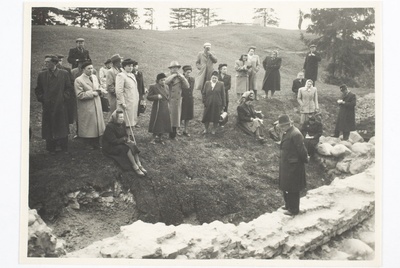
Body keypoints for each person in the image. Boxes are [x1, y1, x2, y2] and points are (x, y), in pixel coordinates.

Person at [34, 55, 72, 155]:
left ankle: (64, 148)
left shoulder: (64, 73)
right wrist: (42, 98)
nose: (45, 63)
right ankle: (51, 148)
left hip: (60, 105)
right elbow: (38, 89)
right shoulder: (42, 74)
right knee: (49, 126)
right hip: (48, 106)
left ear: (55, 63)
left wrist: (63, 98)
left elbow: (68, 88)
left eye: (48, 62)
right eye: (45, 62)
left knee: (62, 126)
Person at [278, 114, 309, 216]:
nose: (281, 128)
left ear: (288, 124)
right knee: (286, 186)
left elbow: (302, 150)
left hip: (294, 165)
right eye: (281, 126)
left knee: (293, 188)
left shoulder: (296, 134)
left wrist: (305, 159)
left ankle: (294, 209)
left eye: (283, 126)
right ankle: (288, 205)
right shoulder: (287, 132)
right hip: (286, 164)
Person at [102, 110, 146, 177]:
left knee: (133, 145)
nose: (122, 119)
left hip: (120, 142)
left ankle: (139, 164)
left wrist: (128, 139)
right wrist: (124, 140)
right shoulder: (110, 127)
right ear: (115, 118)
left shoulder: (123, 123)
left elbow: (125, 134)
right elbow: (112, 141)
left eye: (123, 117)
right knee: (127, 148)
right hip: (111, 146)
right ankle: (135, 166)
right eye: (120, 117)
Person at [74, 61, 106, 149]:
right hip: (87, 106)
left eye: (92, 68)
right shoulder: (79, 80)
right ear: (83, 69)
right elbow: (79, 95)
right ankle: (87, 143)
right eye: (88, 68)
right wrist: (93, 93)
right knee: (88, 124)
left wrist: (101, 90)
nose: (91, 70)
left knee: (96, 124)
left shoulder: (94, 77)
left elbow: (98, 87)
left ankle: (96, 142)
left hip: (96, 103)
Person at [165, 61, 190, 139]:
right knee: (167, 117)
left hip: (177, 100)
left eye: (176, 68)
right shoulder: (167, 75)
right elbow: (166, 82)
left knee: (175, 118)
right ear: (170, 69)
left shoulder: (180, 77)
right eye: (173, 68)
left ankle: (173, 135)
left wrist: (182, 78)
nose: (175, 69)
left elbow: (187, 86)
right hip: (168, 99)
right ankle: (163, 133)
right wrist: (173, 75)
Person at [147, 73, 172, 144]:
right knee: (157, 122)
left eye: (164, 80)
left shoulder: (166, 86)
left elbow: (168, 96)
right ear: (157, 80)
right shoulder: (153, 87)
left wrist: (169, 105)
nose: (163, 81)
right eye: (161, 80)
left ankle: (160, 138)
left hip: (165, 107)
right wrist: (156, 97)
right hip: (158, 107)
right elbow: (149, 97)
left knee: (164, 122)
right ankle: (153, 138)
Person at [116, 58, 140, 131]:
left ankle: (129, 136)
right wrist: (122, 102)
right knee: (125, 121)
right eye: (129, 66)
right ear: (124, 67)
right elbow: (119, 90)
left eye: (132, 66)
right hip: (126, 102)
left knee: (131, 120)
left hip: (133, 101)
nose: (131, 67)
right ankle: (126, 137)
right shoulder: (121, 75)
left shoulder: (132, 75)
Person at [202, 71, 226, 135]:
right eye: (213, 78)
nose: (214, 79)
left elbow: (223, 95)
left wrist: (223, 105)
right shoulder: (207, 83)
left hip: (217, 104)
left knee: (216, 117)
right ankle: (206, 129)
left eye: (215, 78)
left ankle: (214, 129)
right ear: (211, 78)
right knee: (206, 116)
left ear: (217, 78)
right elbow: (204, 93)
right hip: (208, 103)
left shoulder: (221, 84)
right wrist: (204, 101)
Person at [181, 65, 195, 136]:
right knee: (181, 114)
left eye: (190, 72)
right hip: (182, 99)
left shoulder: (192, 79)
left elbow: (191, 89)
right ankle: (177, 129)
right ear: (184, 72)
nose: (189, 74)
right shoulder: (180, 79)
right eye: (187, 72)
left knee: (188, 115)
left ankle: (185, 130)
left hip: (189, 99)